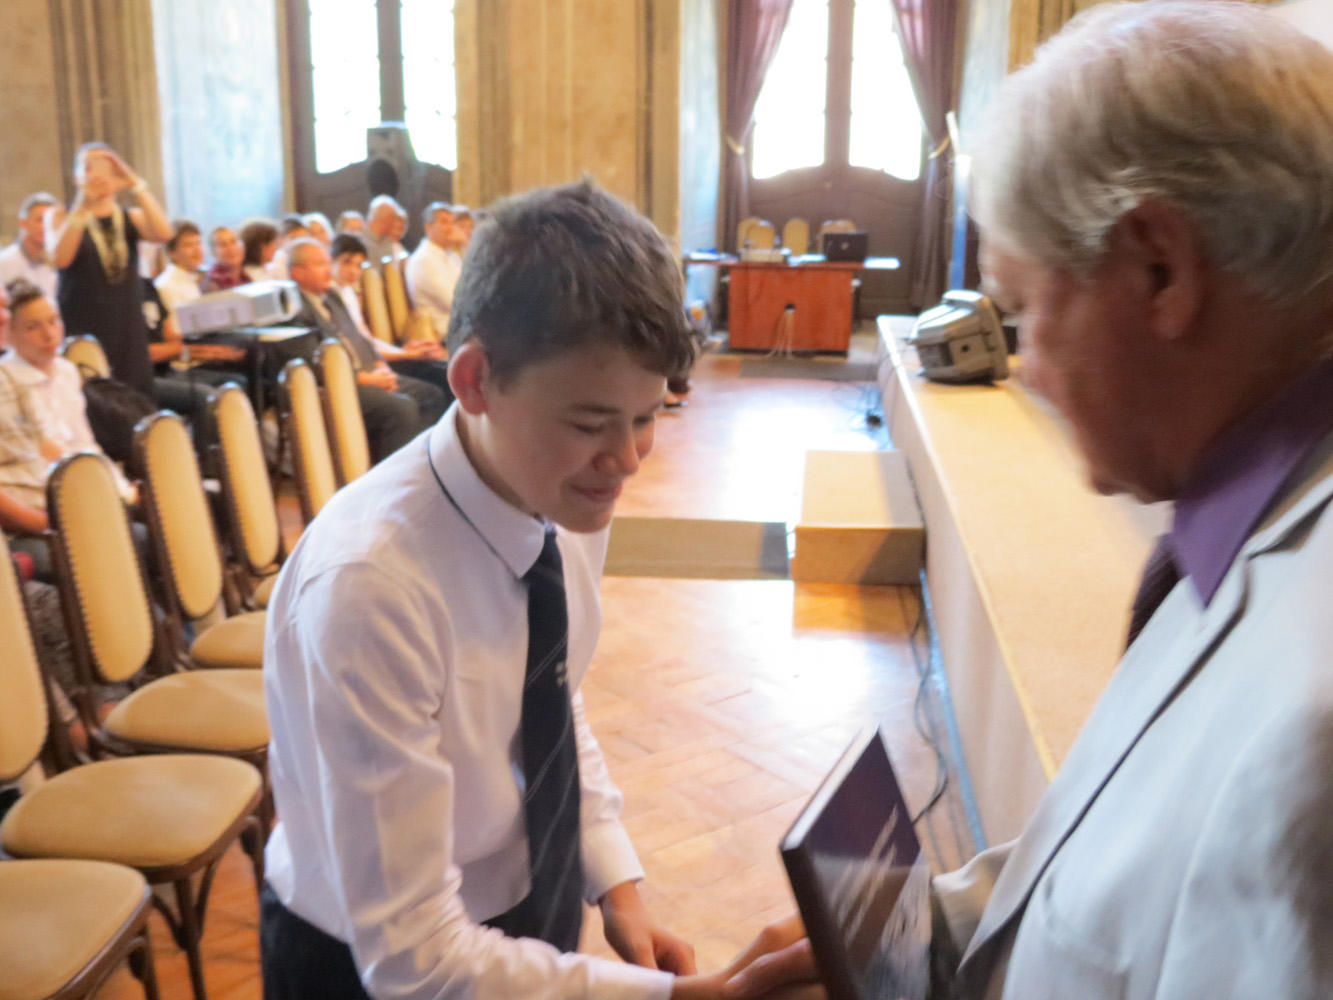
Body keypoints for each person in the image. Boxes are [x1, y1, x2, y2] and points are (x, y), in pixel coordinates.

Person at [728, 3, 1333, 999]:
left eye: (1021, 311)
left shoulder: (1309, 733)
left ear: (1158, 269)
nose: (1027, 370)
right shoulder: (1251, 527)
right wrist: (938, 936)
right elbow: (1147, 870)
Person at [260, 181, 733, 1000]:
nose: (625, 460)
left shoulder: (558, 486)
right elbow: (413, 960)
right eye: (590, 423)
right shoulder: (371, 587)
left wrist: (613, 879)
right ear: (475, 380)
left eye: (646, 417)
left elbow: (547, 694)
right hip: (370, 960)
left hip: (527, 900)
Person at [288, 237, 446, 462]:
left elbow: (358, 338)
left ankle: (423, 462)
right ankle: (391, 472)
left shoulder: (331, 296)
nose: (328, 270)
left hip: (368, 371)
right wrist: (369, 379)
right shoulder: (295, 311)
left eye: (327, 262)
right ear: (298, 273)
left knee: (432, 394)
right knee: (402, 409)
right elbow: (316, 366)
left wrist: (381, 367)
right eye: (320, 264)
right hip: (344, 383)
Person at [50, 143, 173, 397]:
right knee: (92, 396)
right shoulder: (60, 214)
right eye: (87, 167)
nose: (96, 174)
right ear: (76, 177)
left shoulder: (130, 217)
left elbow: (164, 233)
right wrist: (83, 204)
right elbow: (60, 258)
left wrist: (135, 183)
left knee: (135, 397)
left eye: (105, 167)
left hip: (126, 326)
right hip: (83, 321)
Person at [330, 232, 453, 402]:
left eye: (358, 265)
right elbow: (363, 347)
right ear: (331, 260)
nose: (353, 271)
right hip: (366, 367)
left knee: (443, 369)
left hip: (378, 359)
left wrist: (405, 351)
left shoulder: (348, 292)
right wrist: (409, 353)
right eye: (347, 263)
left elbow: (368, 339)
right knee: (439, 381)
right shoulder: (331, 298)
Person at [405, 201, 463, 342]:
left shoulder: (452, 255)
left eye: (452, 222)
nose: (450, 227)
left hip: (459, 324)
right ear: (428, 228)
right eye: (444, 222)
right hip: (441, 330)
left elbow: (473, 285)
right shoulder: (423, 260)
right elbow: (453, 302)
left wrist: (465, 244)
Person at [0, 192, 60, 299]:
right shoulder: (5, 262)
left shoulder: (57, 264)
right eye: (40, 220)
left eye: (50, 221)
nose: (46, 226)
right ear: (23, 223)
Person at [153, 219, 204, 317]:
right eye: (188, 245)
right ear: (172, 253)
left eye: (198, 243)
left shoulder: (190, 278)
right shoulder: (167, 285)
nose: (197, 249)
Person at [363, 194, 407, 269]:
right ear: (386, 219)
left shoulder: (387, 241)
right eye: (393, 218)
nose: (395, 223)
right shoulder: (361, 242)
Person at [203, 225, 246, 291]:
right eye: (223, 244)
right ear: (213, 253)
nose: (231, 248)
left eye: (233, 242)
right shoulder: (212, 284)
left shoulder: (245, 276)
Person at [240, 218, 280, 283]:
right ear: (262, 247)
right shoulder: (248, 275)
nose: (275, 248)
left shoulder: (270, 268)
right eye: (272, 243)